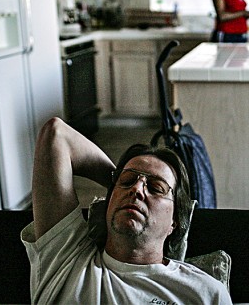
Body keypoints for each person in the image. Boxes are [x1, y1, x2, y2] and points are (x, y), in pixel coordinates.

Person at [20, 117, 232, 303]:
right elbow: (56, 134)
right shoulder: (65, 261)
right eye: (128, 181)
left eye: (156, 188)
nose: (137, 189)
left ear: (174, 221)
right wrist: (117, 184)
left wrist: (126, 185)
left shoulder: (205, 292)